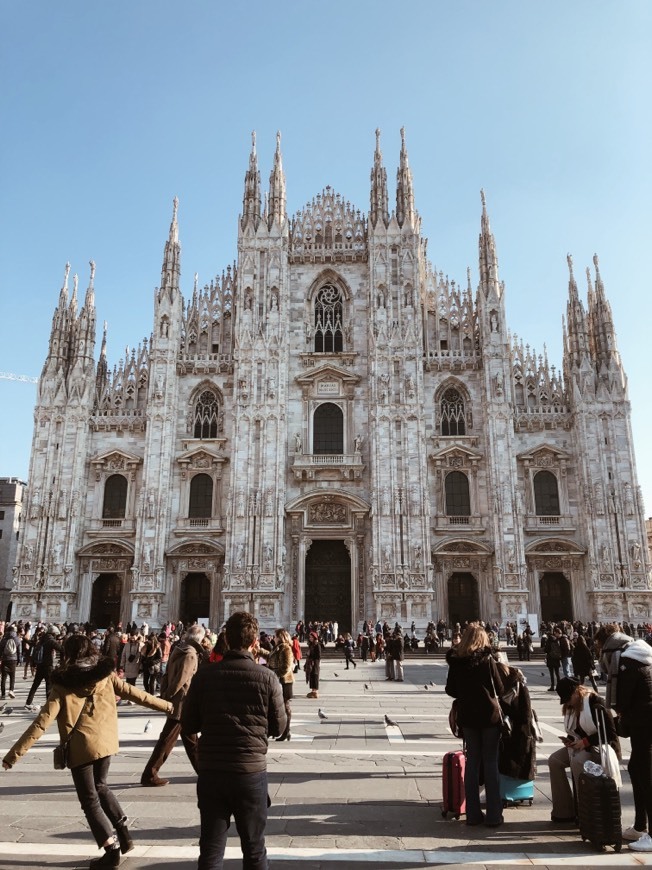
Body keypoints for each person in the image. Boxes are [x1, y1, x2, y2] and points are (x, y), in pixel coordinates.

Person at [2, 632, 172, 868]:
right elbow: (137, 694)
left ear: (68, 654)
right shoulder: (106, 676)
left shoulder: (62, 683)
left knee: (89, 799)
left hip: (81, 747)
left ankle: (111, 849)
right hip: (105, 743)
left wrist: (13, 756)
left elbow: (41, 722)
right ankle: (123, 831)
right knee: (101, 786)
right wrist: (169, 706)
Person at [182, 611, 286, 870]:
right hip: (249, 771)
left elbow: (189, 725)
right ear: (254, 643)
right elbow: (278, 727)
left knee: (210, 849)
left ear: (225, 639)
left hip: (212, 771)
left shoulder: (204, 676)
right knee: (254, 847)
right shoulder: (268, 677)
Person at [597, 624, 652, 849]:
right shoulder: (641, 654)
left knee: (645, 774)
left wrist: (616, 714)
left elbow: (624, 700)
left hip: (644, 722)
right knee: (636, 768)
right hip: (644, 721)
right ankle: (640, 826)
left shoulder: (628, 663)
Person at [445, 623, 505, 827]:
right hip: (489, 717)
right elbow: (499, 687)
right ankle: (495, 815)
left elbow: (450, 690)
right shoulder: (488, 660)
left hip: (468, 718)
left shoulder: (456, 661)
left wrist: (465, 692)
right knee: (490, 763)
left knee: (472, 763)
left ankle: (472, 814)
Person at [140, 624, 208, 787]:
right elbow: (181, 679)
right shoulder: (191, 654)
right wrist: (169, 695)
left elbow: (167, 675)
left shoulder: (180, 650)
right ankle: (149, 774)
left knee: (191, 740)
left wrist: (165, 693)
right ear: (199, 638)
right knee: (167, 739)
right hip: (182, 702)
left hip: (179, 701)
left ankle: (204, 772)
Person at [547, 677, 620, 824]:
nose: (567, 702)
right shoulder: (572, 707)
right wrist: (571, 741)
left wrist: (585, 742)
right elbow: (575, 730)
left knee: (578, 762)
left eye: (568, 698)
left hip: (600, 747)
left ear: (577, 692)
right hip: (581, 746)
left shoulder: (595, 703)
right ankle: (564, 811)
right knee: (554, 761)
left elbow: (610, 733)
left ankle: (584, 810)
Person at [25, 624, 62, 711]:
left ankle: (28, 702)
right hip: (48, 666)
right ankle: (49, 705)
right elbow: (61, 649)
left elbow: (34, 648)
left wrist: (34, 663)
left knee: (35, 685)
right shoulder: (51, 641)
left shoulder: (42, 639)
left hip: (40, 665)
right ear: (53, 633)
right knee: (49, 686)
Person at [267, 628, 294, 742]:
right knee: (279, 706)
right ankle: (279, 730)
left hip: (285, 682)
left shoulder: (286, 648)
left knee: (285, 707)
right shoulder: (278, 648)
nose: (274, 638)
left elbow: (286, 667)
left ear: (281, 636)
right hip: (280, 681)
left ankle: (286, 731)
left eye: (276, 636)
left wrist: (274, 674)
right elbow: (271, 657)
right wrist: (259, 651)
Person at [545, 627, 563, 691]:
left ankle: (552, 686)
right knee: (557, 673)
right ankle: (559, 686)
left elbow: (546, 650)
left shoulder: (549, 641)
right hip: (556, 658)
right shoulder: (556, 640)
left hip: (550, 658)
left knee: (551, 673)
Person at [305, 631, 321, 699]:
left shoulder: (317, 645)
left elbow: (319, 655)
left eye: (312, 637)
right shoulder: (311, 645)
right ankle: (313, 690)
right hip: (310, 662)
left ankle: (315, 691)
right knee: (311, 675)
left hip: (315, 662)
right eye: (310, 637)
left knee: (315, 675)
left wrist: (312, 658)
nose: (311, 638)